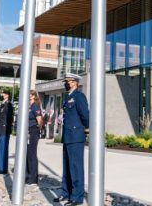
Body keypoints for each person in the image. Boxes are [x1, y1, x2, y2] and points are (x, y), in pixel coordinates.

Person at [54, 73, 89, 206]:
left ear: (74, 82)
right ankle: (66, 193)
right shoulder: (67, 97)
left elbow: (85, 114)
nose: (66, 83)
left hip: (75, 135)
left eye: (67, 81)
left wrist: (87, 127)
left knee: (75, 167)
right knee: (67, 166)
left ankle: (76, 196)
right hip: (67, 136)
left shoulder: (79, 96)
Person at [26, 90, 43, 185]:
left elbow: (39, 119)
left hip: (33, 131)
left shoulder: (35, 106)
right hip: (28, 131)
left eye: (29, 94)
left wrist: (37, 129)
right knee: (28, 154)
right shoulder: (30, 106)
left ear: (33, 96)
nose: (27, 96)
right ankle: (29, 175)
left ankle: (33, 178)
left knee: (32, 154)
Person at [0, 89, 14, 175]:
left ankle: (3, 168)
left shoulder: (9, 105)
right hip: (0, 129)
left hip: (5, 129)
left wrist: (7, 127)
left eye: (3, 94)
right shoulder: (2, 104)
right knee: (0, 148)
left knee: (3, 148)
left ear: (7, 95)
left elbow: (10, 118)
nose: (2, 95)